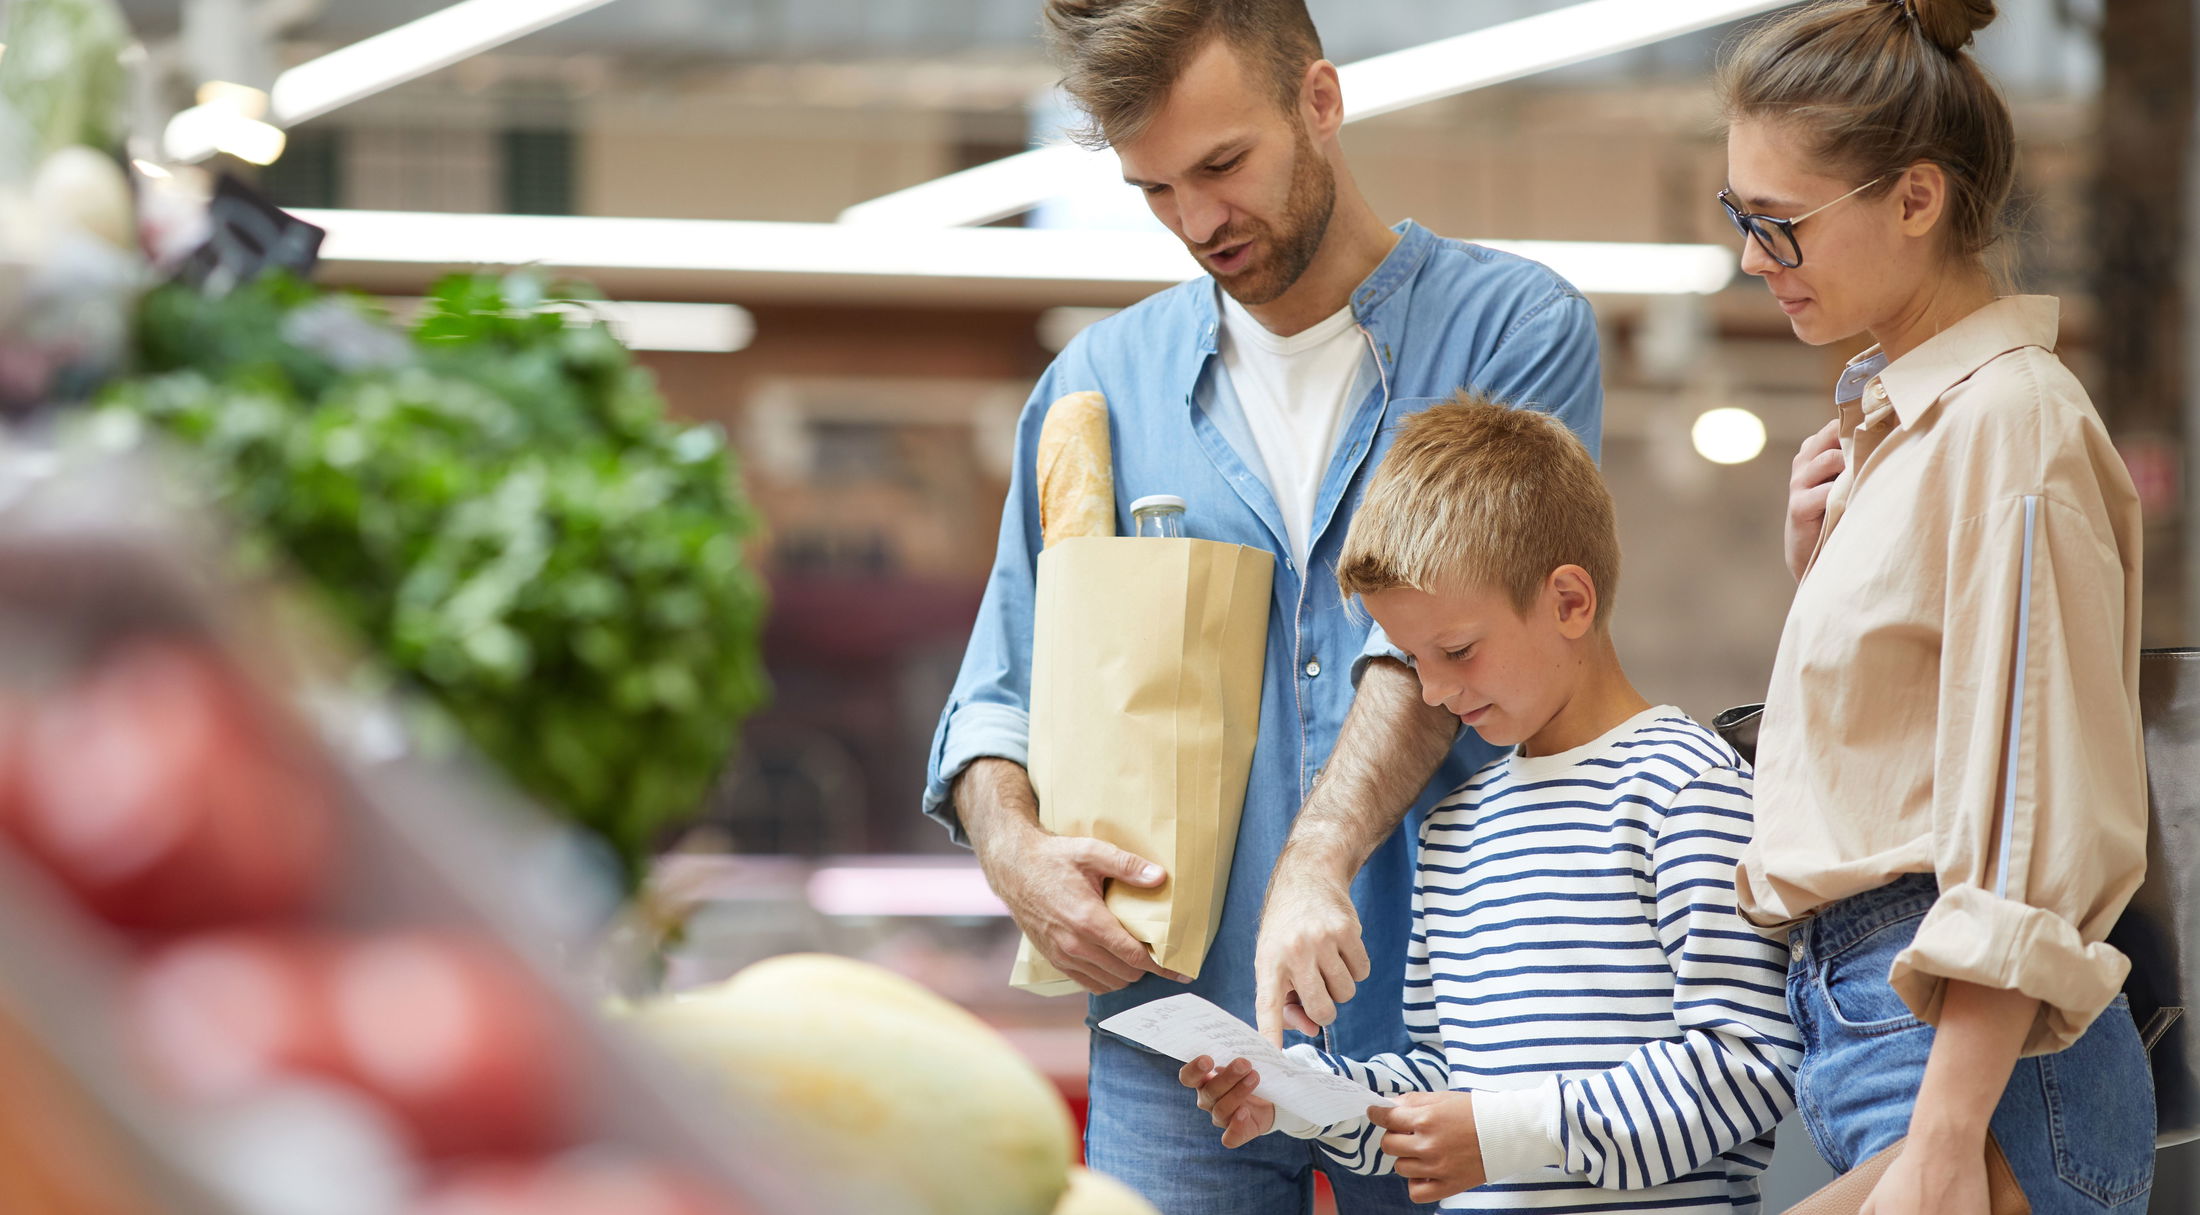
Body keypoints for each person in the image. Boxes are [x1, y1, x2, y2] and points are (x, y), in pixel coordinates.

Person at [920, 1, 1603, 1209]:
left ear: (1319, 103)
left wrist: (1315, 862)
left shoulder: (1511, 331)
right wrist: (1013, 851)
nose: (1196, 223)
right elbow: (997, 695)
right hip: (1174, 1036)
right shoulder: (1096, 390)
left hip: (1460, 1019)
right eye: (1156, 191)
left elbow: (1444, 653)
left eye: (1222, 167)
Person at [1719, 2, 2155, 1212]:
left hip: (1971, 1060)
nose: (1754, 257)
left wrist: (1948, 1134)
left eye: (1779, 224)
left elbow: (2032, 811)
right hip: (1893, 1031)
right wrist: (1822, 575)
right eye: (1736, 217)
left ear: (1915, 198)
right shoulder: (1913, 435)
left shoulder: (2011, 425)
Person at [1180, 395, 1799, 1213]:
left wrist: (1499, 1131)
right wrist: (1298, 1094)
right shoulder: (1451, 829)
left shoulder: (1688, 787)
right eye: (1409, 657)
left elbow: (1747, 1064)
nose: (1433, 689)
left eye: (1458, 650)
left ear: (1571, 601)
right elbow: (1446, 1081)